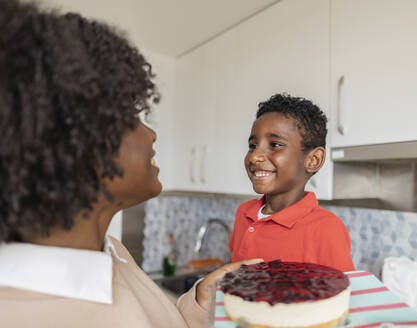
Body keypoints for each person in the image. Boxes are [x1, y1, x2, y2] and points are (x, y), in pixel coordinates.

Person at [0, 1, 261, 327]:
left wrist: (200, 304)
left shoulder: (111, 251)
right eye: (129, 116)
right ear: (74, 139)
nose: (150, 134)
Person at [229, 94, 355, 272]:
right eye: (252, 145)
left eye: (275, 144)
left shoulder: (326, 229)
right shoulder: (244, 213)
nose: (255, 156)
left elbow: (342, 295)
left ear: (313, 160)